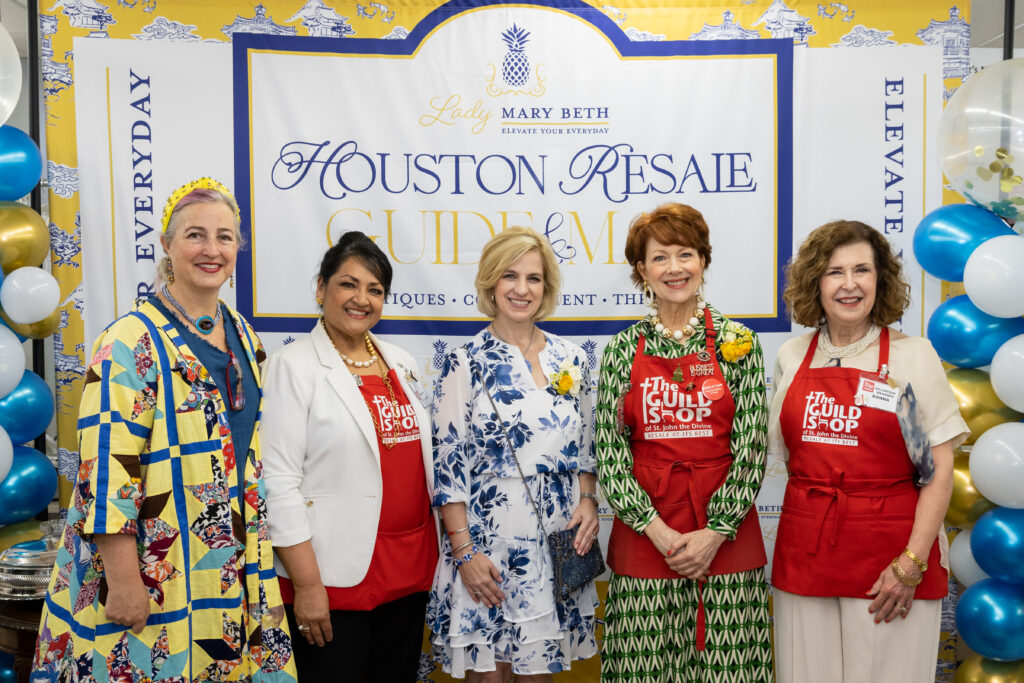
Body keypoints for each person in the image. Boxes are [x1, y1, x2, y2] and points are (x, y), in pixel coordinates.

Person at [31, 178, 297, 681]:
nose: (212, 249)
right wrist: (124, 580)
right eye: (195, 235)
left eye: (225, 237)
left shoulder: (242, 332)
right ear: (167, 247)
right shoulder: (130, 340)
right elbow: (105, 469)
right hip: (156, 568)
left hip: (229, 556)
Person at [770, 220, 968, 682]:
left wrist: (912, 562)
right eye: (835, 272)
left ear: (880, 280)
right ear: (815, 282)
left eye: (862, 270)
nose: (850, 284)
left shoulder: (911, 356)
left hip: (891, 555)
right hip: (807, 549)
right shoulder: (793, 356)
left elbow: (936, 468)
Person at [596, 203, 772, 682]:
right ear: (642, 270)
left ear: (703, 261)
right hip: (648, 534)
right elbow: (611, 454)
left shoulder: (739, 343)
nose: (675, 268)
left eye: (686, 254)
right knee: (643, 671)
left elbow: (753, 447)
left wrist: (714, 533)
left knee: (729, 671)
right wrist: (659, 533)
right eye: (660, 257)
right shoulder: (620, 349)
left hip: (725, 536)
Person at [261, 231, 438, 681]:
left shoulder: (402, 362)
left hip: (409, 568)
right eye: (348, 284)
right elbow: (278, 482)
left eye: (375, 290)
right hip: (334, 576)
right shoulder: (293, 365)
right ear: (321, 289)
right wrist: (307, 584)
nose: (362, 299)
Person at [428, 226, 599, 681]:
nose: (522, 289)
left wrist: (587, 501)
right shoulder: (464, 362)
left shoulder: (573, 359)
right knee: (491, 675)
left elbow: (586, 451)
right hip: (488, 548)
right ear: (490, 283)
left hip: (556, 547)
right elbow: (448, 468)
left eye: (534, 278)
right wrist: (466, 555)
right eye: (510, 276)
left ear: (547, 288)